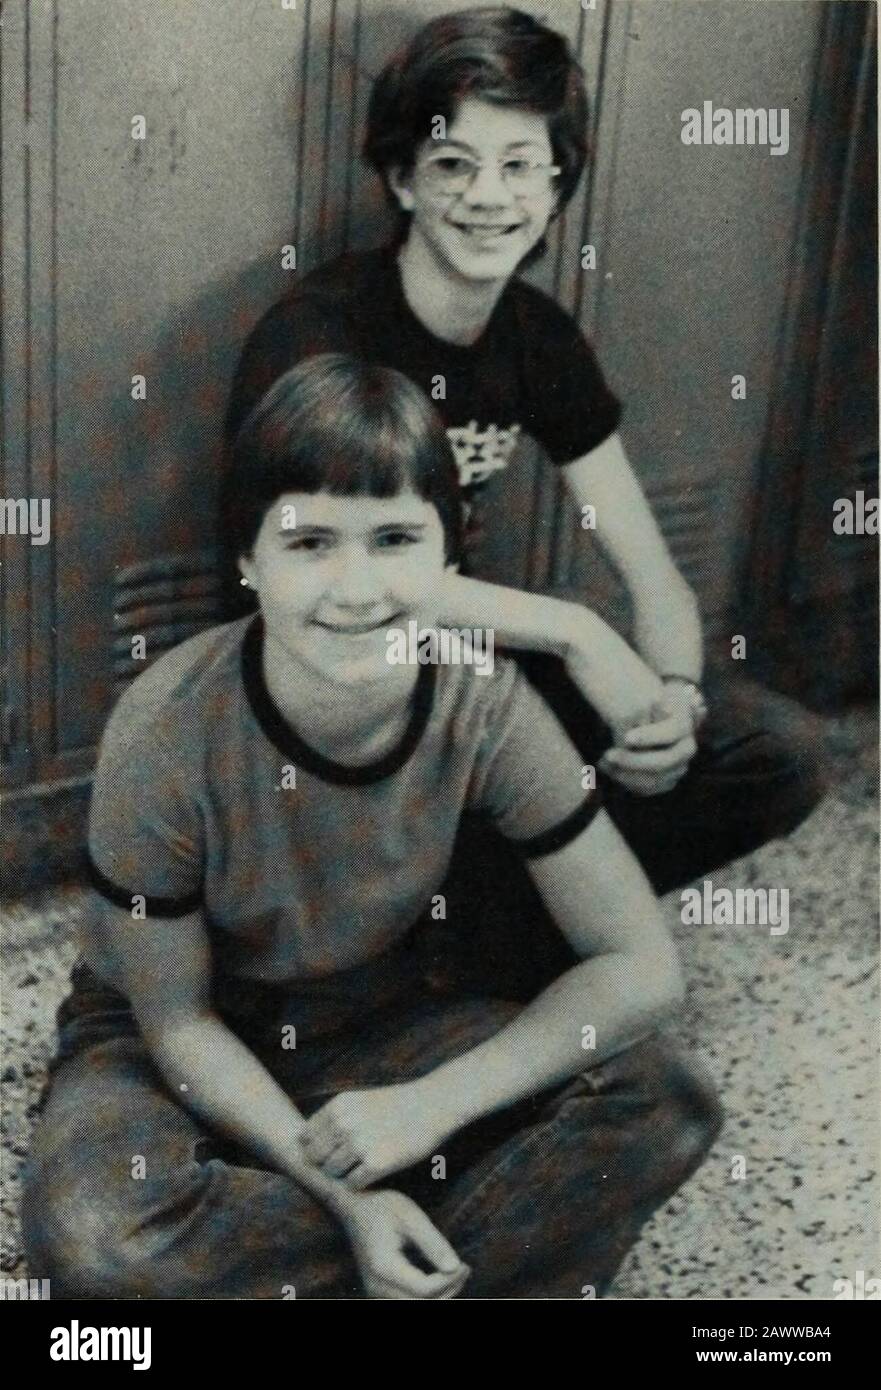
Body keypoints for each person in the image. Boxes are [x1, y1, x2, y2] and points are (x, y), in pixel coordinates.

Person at [22, 356, 722, 1300]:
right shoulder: (166, 731)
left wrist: (428, 1108)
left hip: (377, 1013)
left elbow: (639, 967)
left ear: (448, 553)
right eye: (309, 543)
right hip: (174, 1037)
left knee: (661, 1099)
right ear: (246, 560)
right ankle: (442, 1257)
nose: (356, 590)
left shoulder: (487, 706)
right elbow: (177, 1020)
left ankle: (361, 1265)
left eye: (394, 537)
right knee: (105, 1242)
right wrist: (350, 1204)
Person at [222, 7, 828, 991]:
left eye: (520, 165)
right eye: (453, 164)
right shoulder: (316, 336)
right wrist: (573, 634)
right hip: (336, 673)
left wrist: (667, 703)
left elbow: (655, 579)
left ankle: (489, 949)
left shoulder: (535, 341)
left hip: (459, 663)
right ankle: (443, 952)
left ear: (555, 186)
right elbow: (345, 578)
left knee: (771, 749)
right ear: (400, 180)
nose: (487, 197)